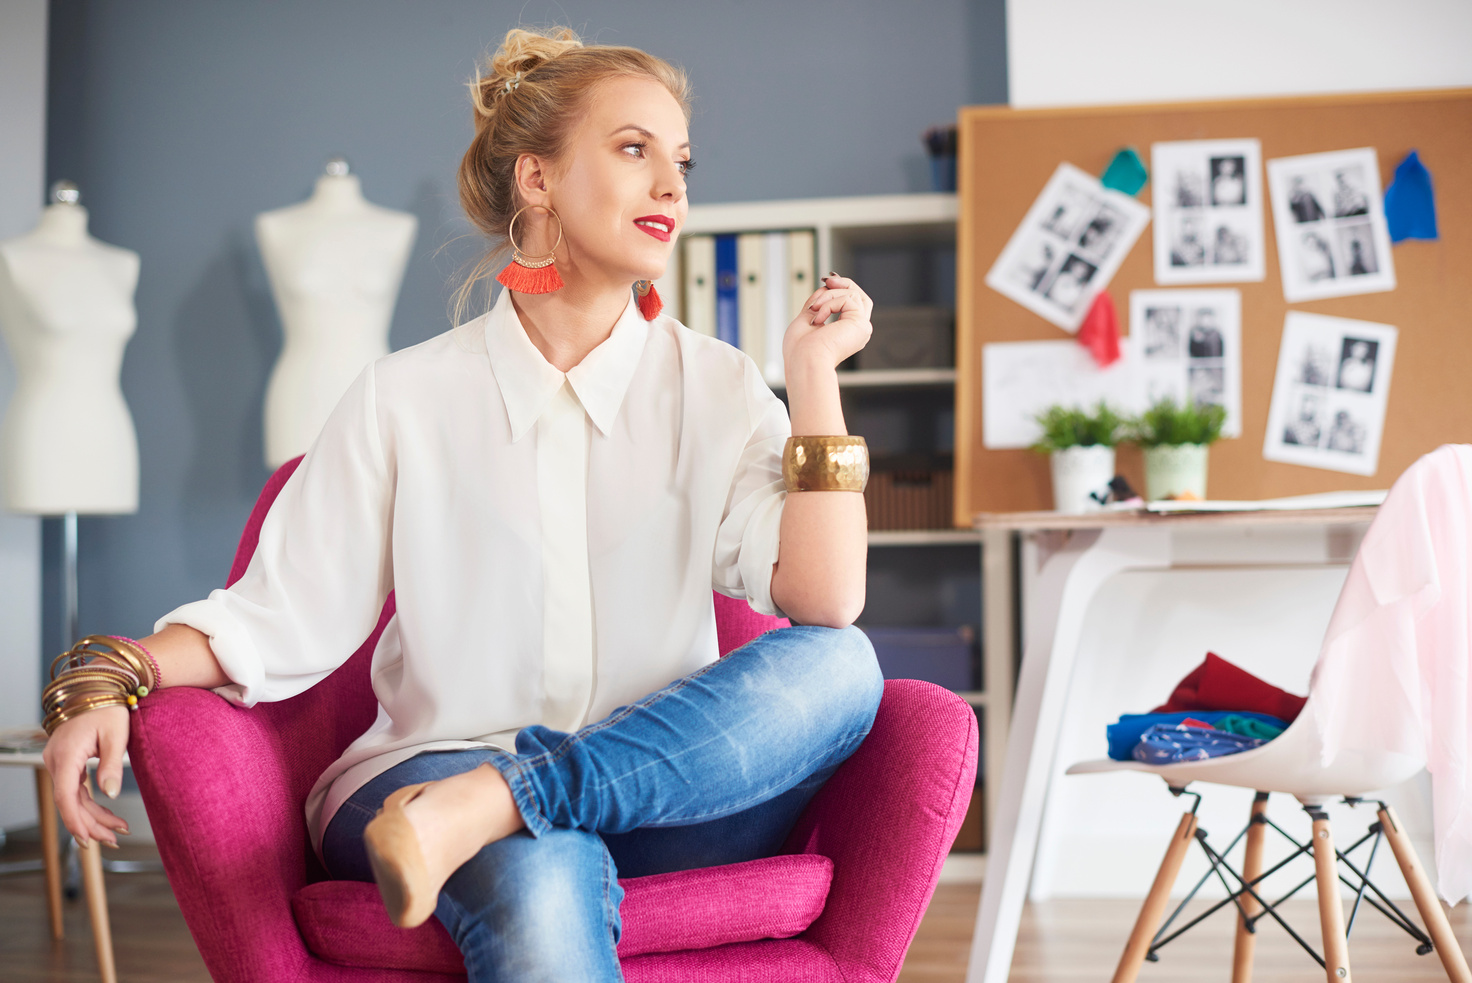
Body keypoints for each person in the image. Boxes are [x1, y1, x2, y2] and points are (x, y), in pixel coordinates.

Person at [40, 26, 884, 982]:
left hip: (666, 795)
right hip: (422, 774)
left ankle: (500, 800)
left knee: (844, 665)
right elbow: (278, 616)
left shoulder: (724, 385)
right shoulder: (403, 396)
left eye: (681, 159)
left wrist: (812, 377)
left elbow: (825, 599)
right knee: (539, 868)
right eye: (633, 149)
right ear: (537, 179)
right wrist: (110, 674)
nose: (672, 187)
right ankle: (488, 806)